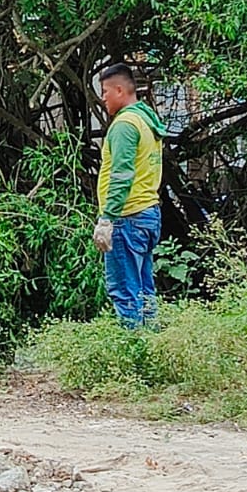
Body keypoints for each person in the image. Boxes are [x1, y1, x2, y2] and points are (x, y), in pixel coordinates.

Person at [93, 63, 167, 328]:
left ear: (119, 90)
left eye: (105, 92)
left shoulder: (124, 125)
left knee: (125, 292)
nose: (103, 99)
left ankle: (133, 347)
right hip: (148, 214)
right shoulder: (145, 119)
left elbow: (121, 175)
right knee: (144, 292)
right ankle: (152, 345)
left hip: (127, 218)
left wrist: (107, 219)